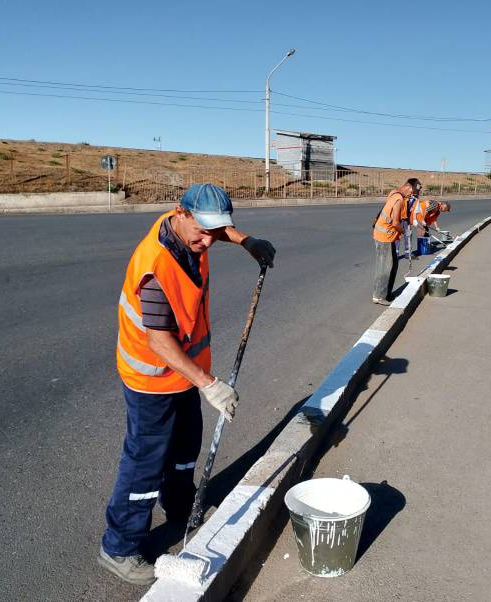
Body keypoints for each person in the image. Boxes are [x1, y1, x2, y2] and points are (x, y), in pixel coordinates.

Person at [98, 183, 275, 585]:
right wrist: (210, 384)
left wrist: (247, 241)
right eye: (202, 230)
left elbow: (219, 229)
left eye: (215, 231)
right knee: (146, 461)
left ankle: (180, 503)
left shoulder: (192, 232)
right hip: (152, 378)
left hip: (184, 374)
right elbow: (159, 341)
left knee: (185, 445)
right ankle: (119, 547)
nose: (207, 240)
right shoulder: (155, 266)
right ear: (180, 212)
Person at [372, 178, 421, 304]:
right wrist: (406, 232)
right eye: (412, 192)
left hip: (384, 235)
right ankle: (379, 296)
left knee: (393, 265)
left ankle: (386, 293)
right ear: (408, 187)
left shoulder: (394, 193)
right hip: (384, 237)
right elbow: (395, 223)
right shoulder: (399, 199)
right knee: (385, 267)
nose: (412, 195)